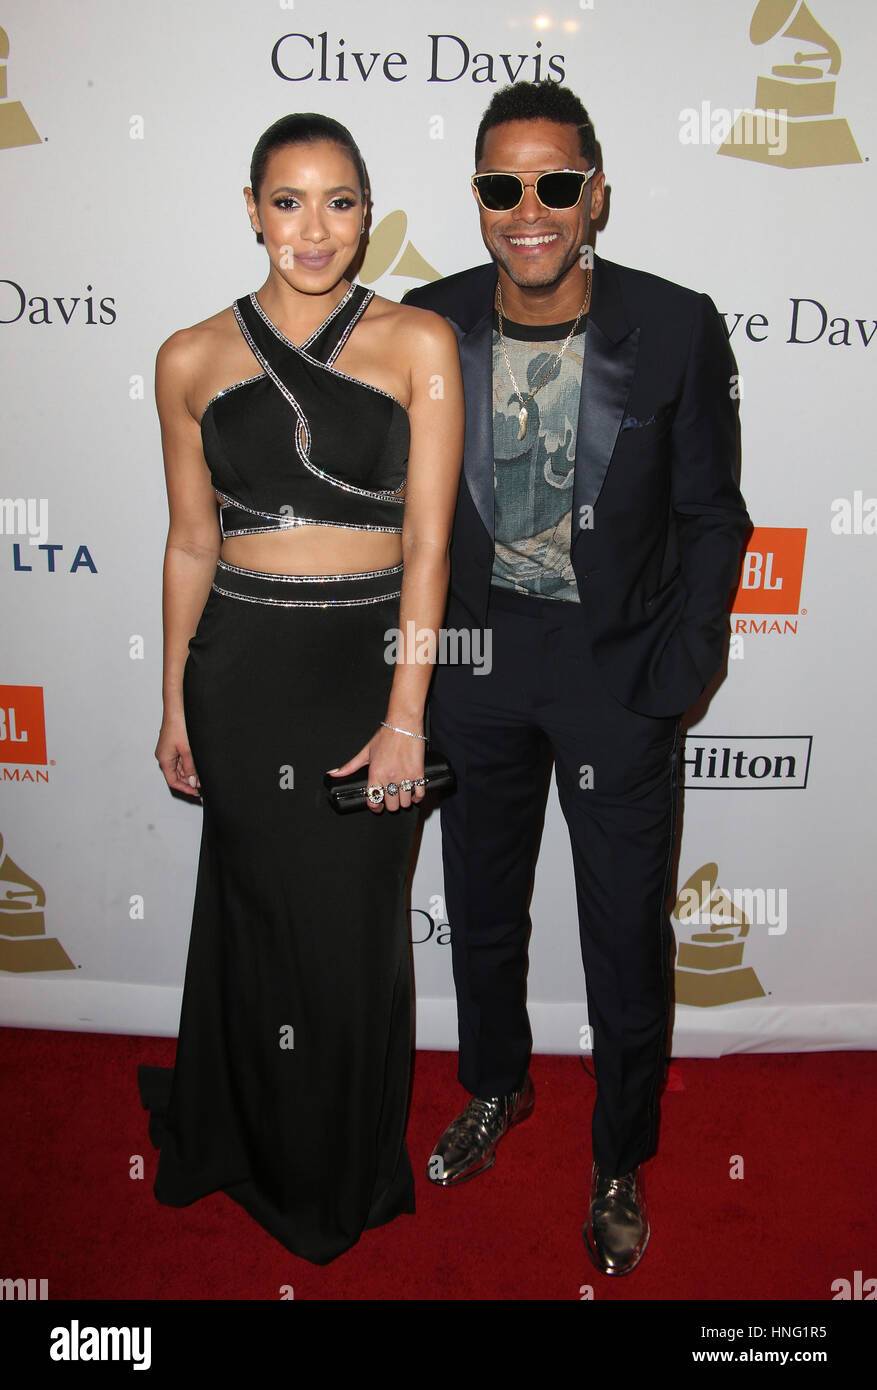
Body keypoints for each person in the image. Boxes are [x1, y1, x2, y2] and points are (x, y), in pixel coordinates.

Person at [403, 81, 750, 1275]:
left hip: (618, 674)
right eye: (501, 186)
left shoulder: (675, 324)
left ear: (595, 193)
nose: (529, 209)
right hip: (478, 664)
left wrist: (683, 665)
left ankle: (618, 1155)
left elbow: (711, 514)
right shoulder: (428, 323)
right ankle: (496, 1085)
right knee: (482, 908)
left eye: (555, 182)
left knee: (623, 931)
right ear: (477, 198)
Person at [137, 113, 464, 1265]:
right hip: (241, 670)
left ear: (367, 215)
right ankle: (242, 1134)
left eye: (338, 202)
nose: (313, 229)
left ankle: (333, 1166)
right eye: (287, 200)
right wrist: (174, 701)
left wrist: (406, 715)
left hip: (367, 670)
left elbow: (429, 547)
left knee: (352, 931)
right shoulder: (188, 356)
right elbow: (191, 541)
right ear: (251, 209)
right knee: (254, 915)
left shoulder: (418, 341)